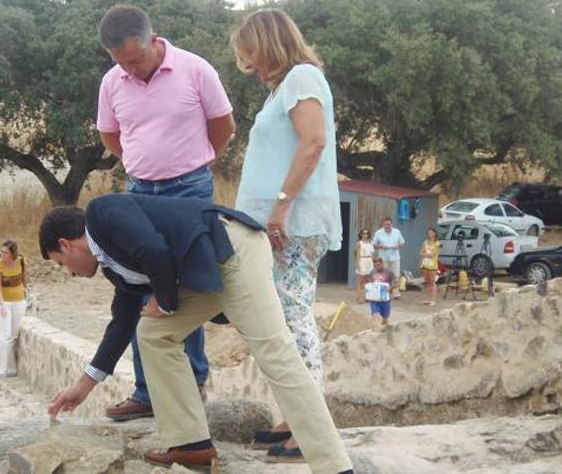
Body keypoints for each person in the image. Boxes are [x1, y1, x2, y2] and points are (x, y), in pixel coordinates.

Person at [40, 194, 354, 474]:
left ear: (66, 244)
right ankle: (191, 444)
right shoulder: (111, 265)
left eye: (61, 262)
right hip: (206, 268)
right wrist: (84, 385)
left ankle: (335, 466)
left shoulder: (102, 211)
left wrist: (164, 301)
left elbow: (154, 249)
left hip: (233, 250)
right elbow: (122, 324)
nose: (69, 272)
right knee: (152, 333)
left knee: (276, 353)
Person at [96, 4, 236, 421]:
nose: (130, 69)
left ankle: (191, 383)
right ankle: (146, 392)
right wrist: (141, 161)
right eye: (121, 63)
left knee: (185, 286)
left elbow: (223, 126)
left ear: (153, 40)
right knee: (141, 286)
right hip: (139, 191)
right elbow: (109, 133)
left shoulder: (196, 70)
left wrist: (195, 160)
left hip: (190, 188)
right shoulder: (112, 82)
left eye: (135, 60)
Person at [230, 9, 343, 462]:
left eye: (252, 57)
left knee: (294, 322)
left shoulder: (300, 78)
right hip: (278, 225)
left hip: (291, 224)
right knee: (280, 323)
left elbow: (312, 143)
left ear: (270, 45)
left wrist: (280, 205)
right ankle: (293, 418)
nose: (251, 68)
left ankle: (311, 429)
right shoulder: (286, 86)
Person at [0, 240, 29, 378]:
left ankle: (11, 368)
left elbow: (24, 279)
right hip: (5, 303)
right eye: (1, 252)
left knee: (13, 336)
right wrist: (2, 305)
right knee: (4, 335)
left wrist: (25, 293)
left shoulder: (21, 262)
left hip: (19, 302)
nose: (3, 255)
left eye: (6, 253)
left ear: (12, 253)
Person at [372, 218, 405, 298]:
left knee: (396, 275)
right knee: (383, 275)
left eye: (389, 224)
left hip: (395, 257)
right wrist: (380, 246)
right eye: (385, 224)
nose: (387, 226)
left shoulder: (397, 232)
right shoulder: (378, 232)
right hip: (383, 258)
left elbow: (402, 243)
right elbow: (373, 244)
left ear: (391, 224)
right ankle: (383, 292)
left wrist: (398, 247)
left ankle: (396, 293)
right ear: (383, 225)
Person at [367, 257, 397, 326]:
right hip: (375, 300)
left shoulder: (389, 272)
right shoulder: (372, 272)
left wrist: (391, 287)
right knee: (375, 315)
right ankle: (375, 330)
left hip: (385, 299)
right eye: (375, 266)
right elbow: (370, 283)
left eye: (379, 265)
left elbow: (396, 283)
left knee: (385, 318)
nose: (377, 267)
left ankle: (384, 327)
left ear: (382, 264)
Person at [420, 228, 440, 306]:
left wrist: (426, 254)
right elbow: (421, 252)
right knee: (427, 281)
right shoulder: (425, 242)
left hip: (432, 264)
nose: (429, 234)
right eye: (428, 233)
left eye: (431, 233)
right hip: (425, 263)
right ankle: (427, 298)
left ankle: (433, 299)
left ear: (434, 234)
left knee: (432, 282)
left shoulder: (437, 243)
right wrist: (426, 254)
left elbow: (433, 254)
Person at [355, 229, 375, 303]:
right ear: (361, 234)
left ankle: (367, 296)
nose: (365, 235)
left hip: (369, 260)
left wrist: (374, 263)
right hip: (362, 260)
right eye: (363, 233)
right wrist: (358, 264)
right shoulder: (359, 243)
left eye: (367, 233)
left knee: (368, 280)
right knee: (361, 280)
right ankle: (360, 297)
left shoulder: (370, 244)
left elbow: (372, 254)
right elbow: (357, 254)